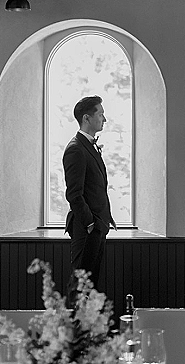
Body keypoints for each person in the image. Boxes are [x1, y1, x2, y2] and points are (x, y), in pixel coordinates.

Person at [63, 95, 116, 292]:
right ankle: (77, 324)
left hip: (98, 226)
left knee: (91, 286)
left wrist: (104, 219)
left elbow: (96, 188)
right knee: (80, 287)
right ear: (86, 118)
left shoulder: (88, 146)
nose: (105, 119)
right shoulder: (76, 149)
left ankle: (89, 323)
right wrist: (90, 223)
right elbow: (74, 194)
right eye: (101, 114)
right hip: (87, 229)